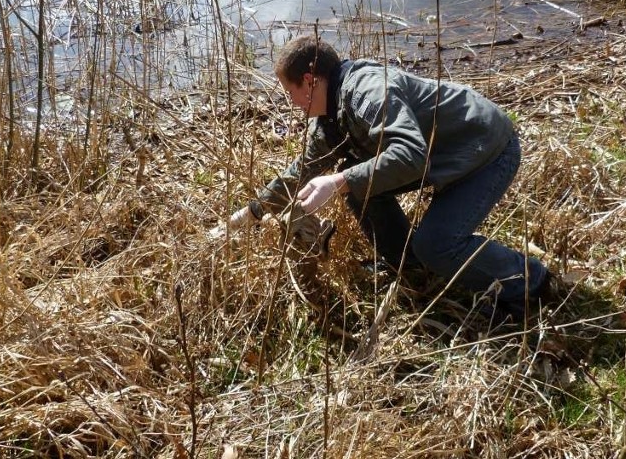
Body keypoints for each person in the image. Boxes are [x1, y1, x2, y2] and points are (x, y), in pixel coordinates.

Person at [224, 35, 551, 321]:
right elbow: (301, 171)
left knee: (436, 244)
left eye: (289, 91)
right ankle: (409, 265)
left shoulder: (367, 92)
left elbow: (410, 155)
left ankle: (530, 281)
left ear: (310, 81)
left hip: (485, 150)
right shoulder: (329, 112)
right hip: (441, 157)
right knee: (356, 181)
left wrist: (339, 181)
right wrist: (247, 215)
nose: (291, 102)